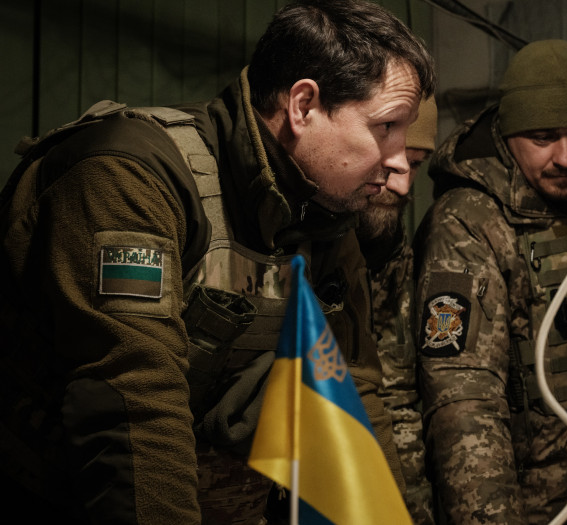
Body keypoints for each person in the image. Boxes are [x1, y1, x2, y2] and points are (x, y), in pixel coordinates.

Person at [0, 1, 435, 522]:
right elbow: (133, 404)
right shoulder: (131, 176)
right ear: (303, 105)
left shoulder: (324, 212)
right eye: (386, 127)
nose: (398, 163)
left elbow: (350, 396)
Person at [414, 39, 567, 524]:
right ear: (507, 130)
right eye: (543, 137)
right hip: (541, 503)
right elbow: (464, 397)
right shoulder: (468, 220)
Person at [358, 95, 438, 525]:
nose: (404, 185)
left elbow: (398, 400)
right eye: (388, 163)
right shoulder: (287, 255)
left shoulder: (395, 259)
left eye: (416, 165)